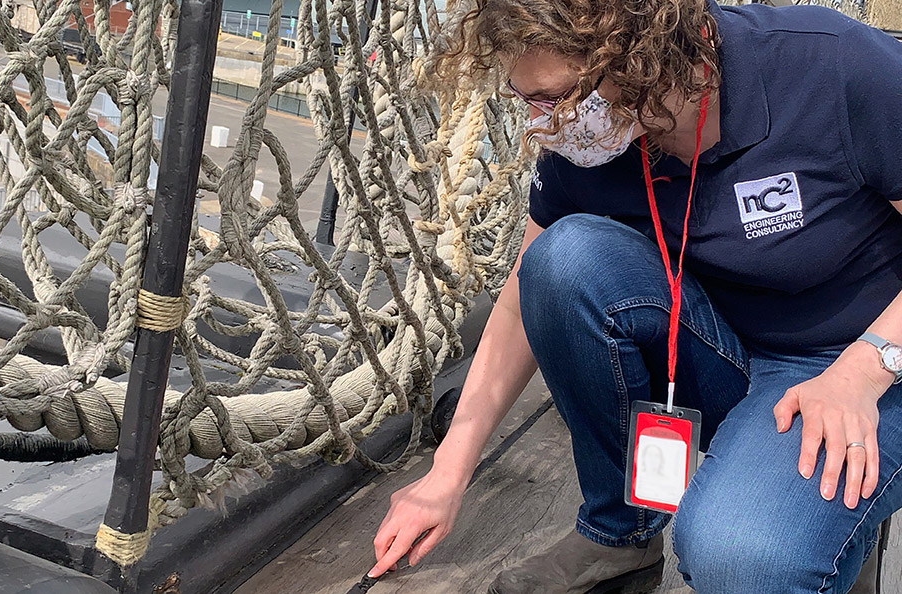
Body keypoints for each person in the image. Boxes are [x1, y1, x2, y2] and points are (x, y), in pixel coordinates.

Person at [370, 0, 902, 592]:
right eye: (528, 103)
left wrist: (865, 368)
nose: (542, 127)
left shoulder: (831, 65)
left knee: (745, 556)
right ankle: (620, 536)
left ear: (645, 57)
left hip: (869, 359)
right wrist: (446, 474)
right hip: (721, 346)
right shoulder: (597, 134)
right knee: (564, 260)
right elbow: (527, 297)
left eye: (555, 99)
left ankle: (816, 538)